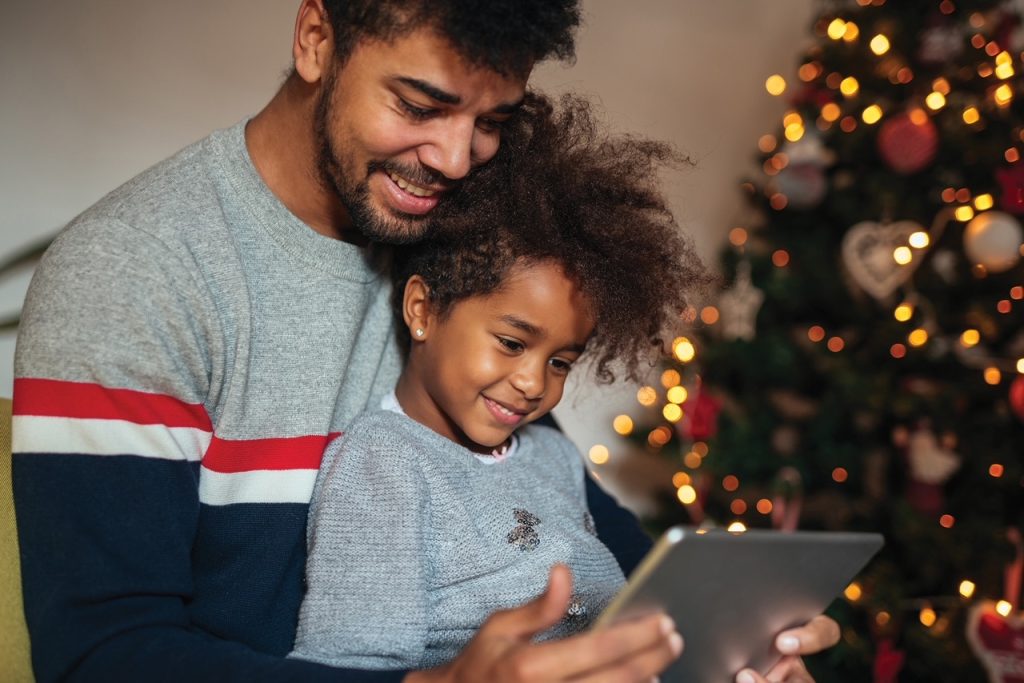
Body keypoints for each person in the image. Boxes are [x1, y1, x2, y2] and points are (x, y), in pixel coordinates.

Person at [11, 1, 839, 681]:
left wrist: (721, 629)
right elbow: (102, 659)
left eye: (492, 121)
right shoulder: (134, 271)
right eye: (419, 104)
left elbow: (559, 514)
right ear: (315, 38)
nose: (452, 158)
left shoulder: (457, 240)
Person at [288, 92, 702, 670]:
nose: (534, 383)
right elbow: (352, 664)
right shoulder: (384, 465)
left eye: (562, 361)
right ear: (423, 310)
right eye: (512, 343)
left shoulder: (553, 455)